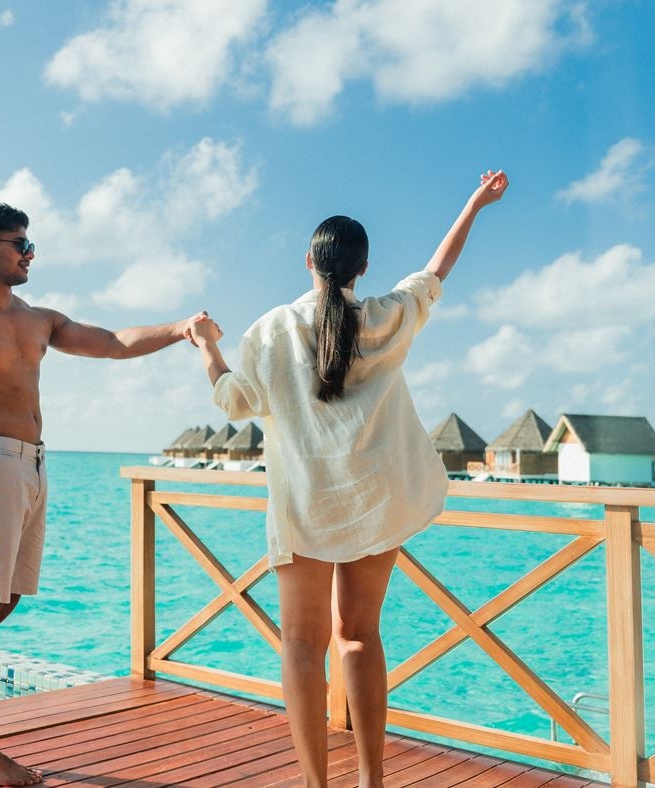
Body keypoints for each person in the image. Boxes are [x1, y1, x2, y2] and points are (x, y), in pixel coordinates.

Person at [189, 170, 509, 788]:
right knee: (359, 636)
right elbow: (436, 272)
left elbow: (234, 401)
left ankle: (314, 782)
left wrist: (206, 344)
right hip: (374, 502)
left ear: (308, 260)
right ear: (363, 269)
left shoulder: (273, 329)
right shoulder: (388, 316)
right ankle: (370, 777)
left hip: (305, 506)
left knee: (302, 646)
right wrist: (473, 203)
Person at [0, 201, 207, 786]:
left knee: (4, 599)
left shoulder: (40, 319)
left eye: (31, 245)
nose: (30, 254)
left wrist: (179, 328)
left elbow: (114, 341)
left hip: (33, 466)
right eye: (20, 244)